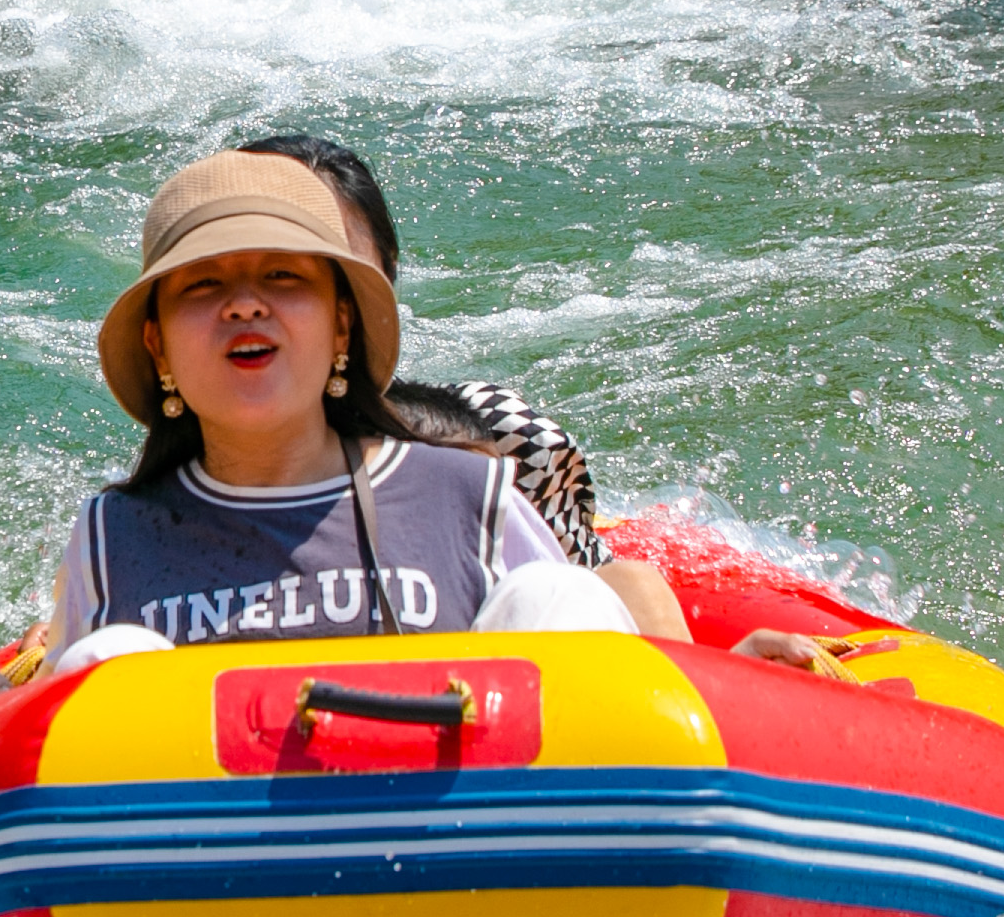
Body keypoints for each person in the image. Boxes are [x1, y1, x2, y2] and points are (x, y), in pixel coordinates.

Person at [44, 152, 642, 667]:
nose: (245, 306)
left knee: (560, 599)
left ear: (341, 325)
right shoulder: (108, 534)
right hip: (200, 802)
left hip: (453, 801)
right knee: (108, 659)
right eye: (202, 284)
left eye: (283, 275)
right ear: (158, 346)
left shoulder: (468, 494)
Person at [231, 123, 695, 644]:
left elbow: (596, 596)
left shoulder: (494, 439)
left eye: (317, 272)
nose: (259, 306)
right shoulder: (183, 481)